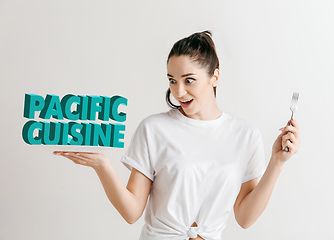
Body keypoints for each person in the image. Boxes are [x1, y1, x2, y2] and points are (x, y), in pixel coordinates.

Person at [53, 30, 300, 240]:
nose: (179, 92)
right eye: (172, 80)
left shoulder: (245, 135)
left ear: (214, 76)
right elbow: (131, 213)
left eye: (189, 80)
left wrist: (277, 163)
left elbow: (245, 218)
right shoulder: (154, 129)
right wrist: (102, 166)